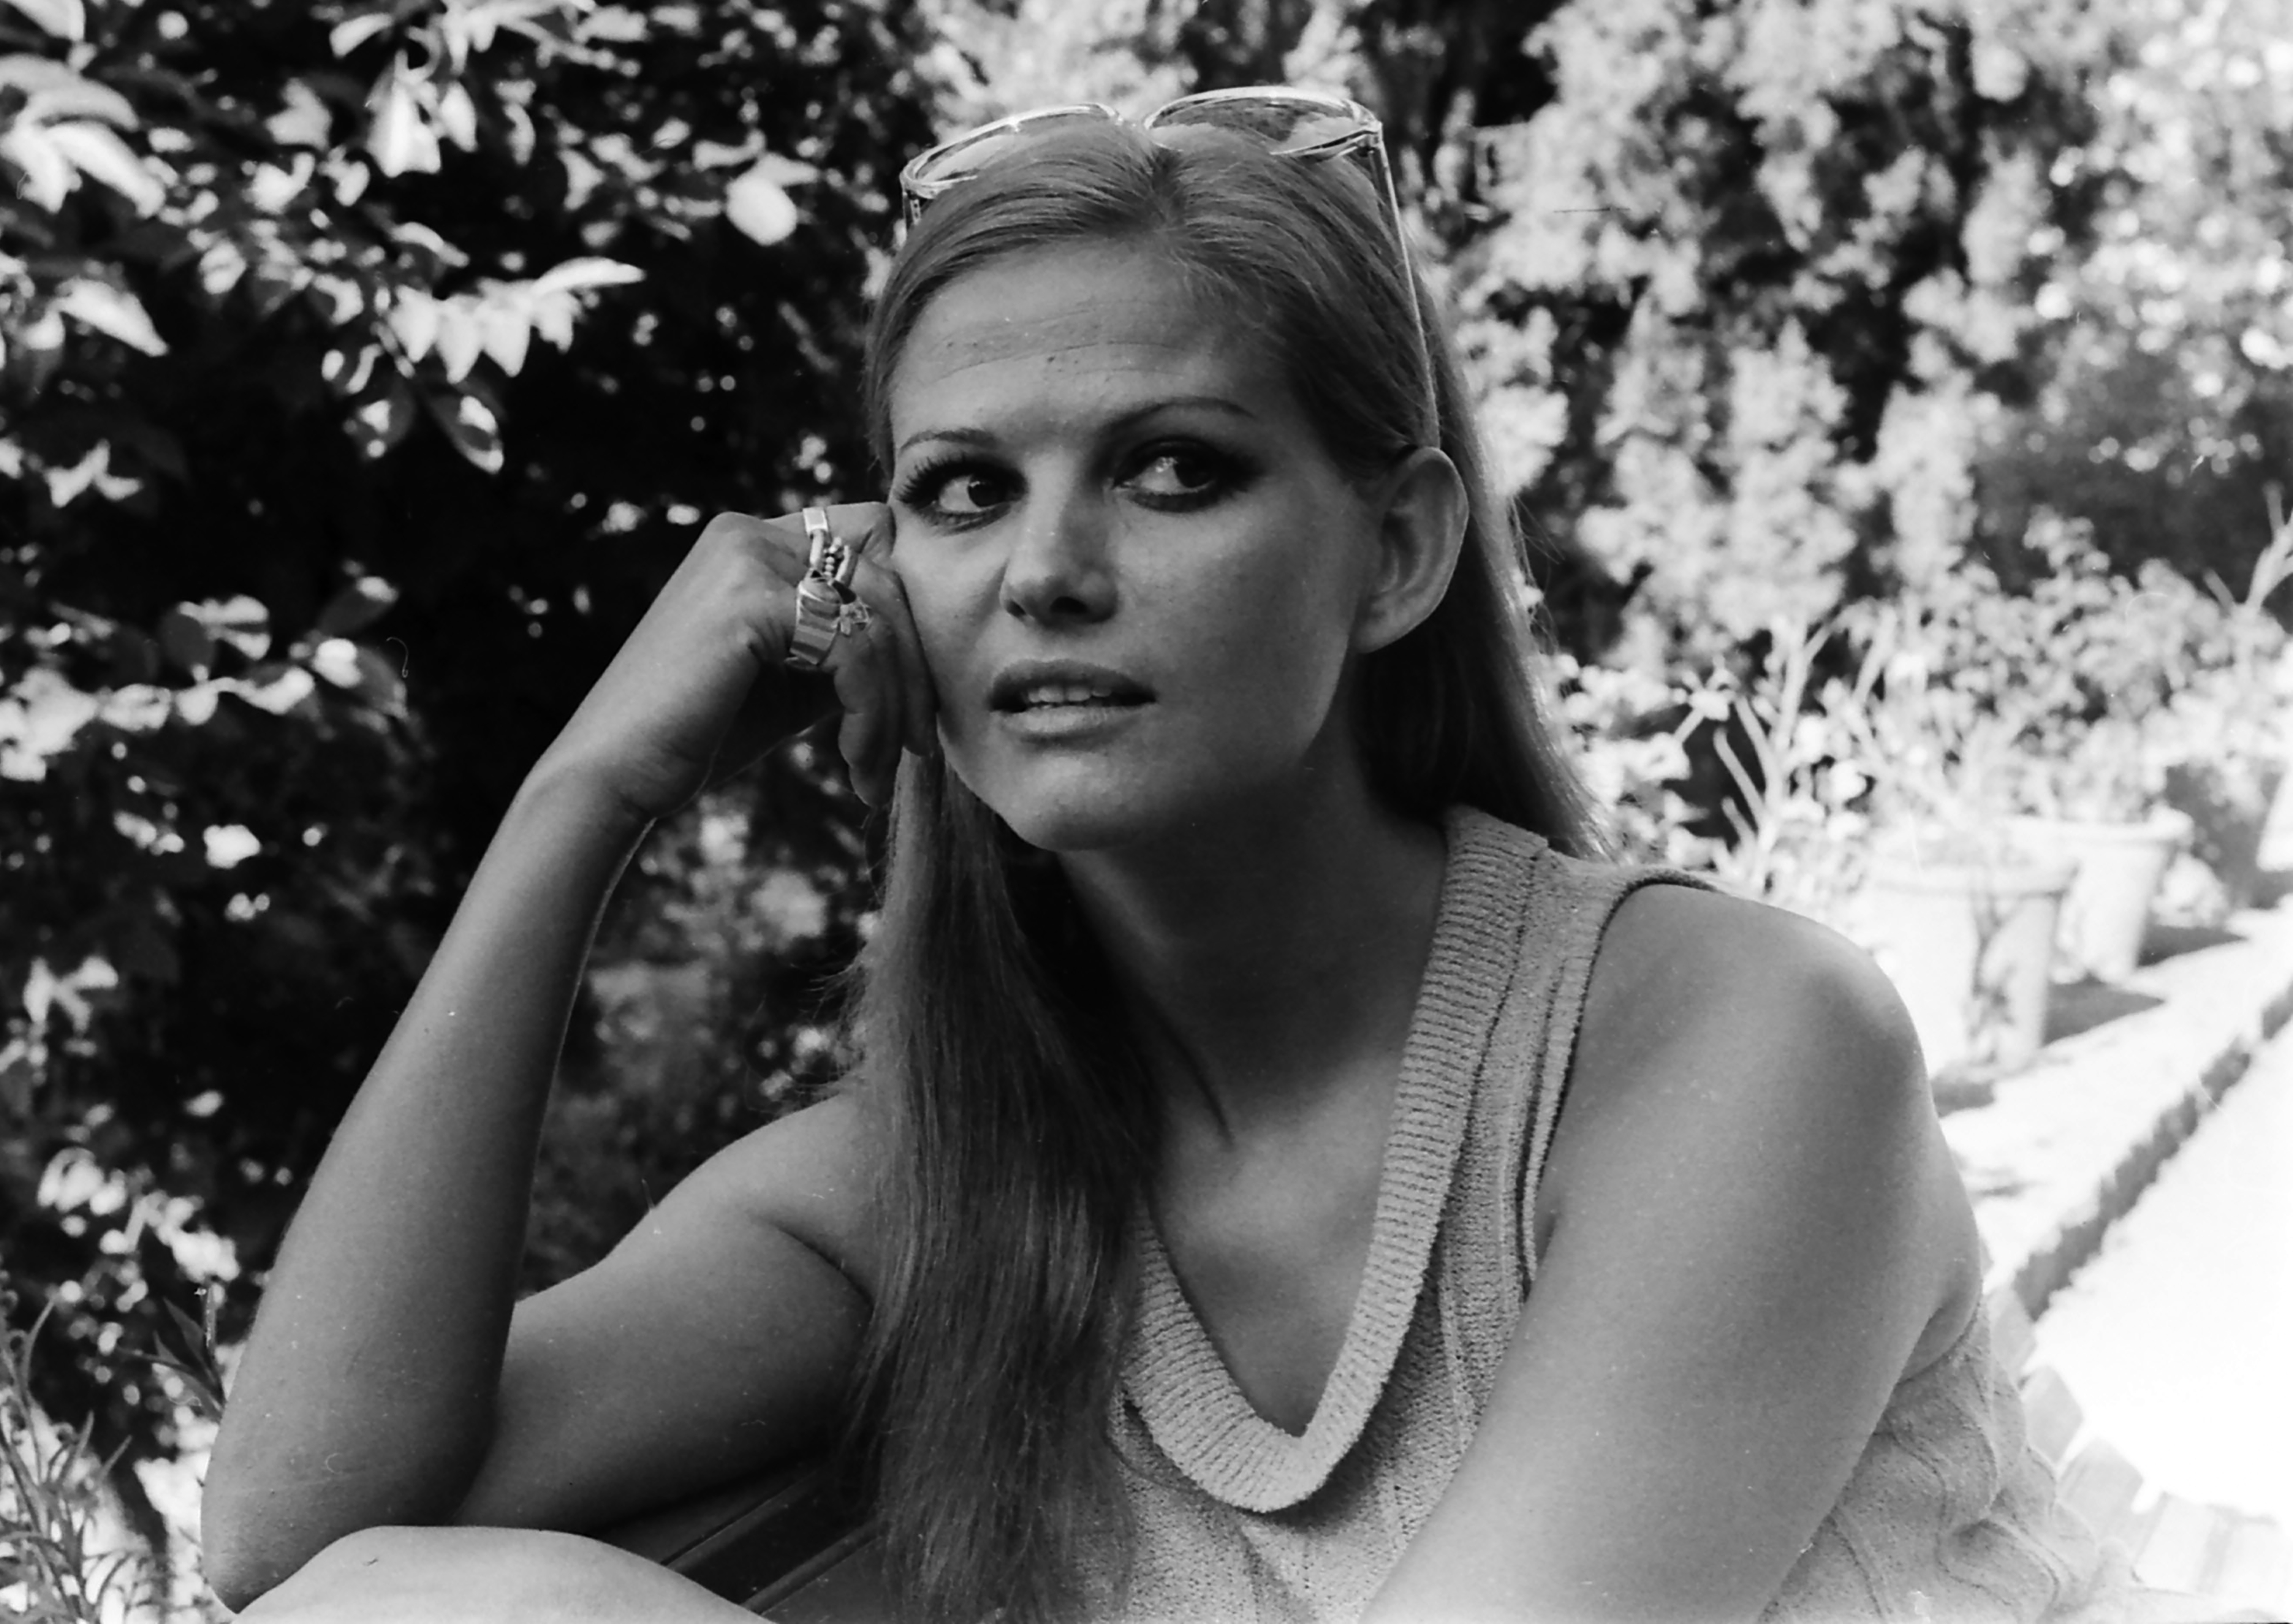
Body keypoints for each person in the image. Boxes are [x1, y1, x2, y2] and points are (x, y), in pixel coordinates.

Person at [200, 90, 2132, 1624]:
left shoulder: (1717, 1038)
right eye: (964, 489)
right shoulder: (928, 1180)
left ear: (1393, 552)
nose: (1044, 568)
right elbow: (299, 1533)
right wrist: (585, 793)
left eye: (1171, 466)